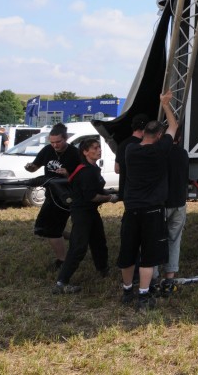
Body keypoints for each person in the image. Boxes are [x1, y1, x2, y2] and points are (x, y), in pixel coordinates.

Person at [117, 92, 176, 310]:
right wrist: (165, 105)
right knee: (148, 256)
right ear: (159, 136)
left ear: (143, 134)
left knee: (128, 252)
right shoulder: (161, 150)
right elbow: (173, 126)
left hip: (131, 209)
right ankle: (143, 295)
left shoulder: (131, 150)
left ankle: (126, 291)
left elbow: (162, 132)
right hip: (152, 210)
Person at [53, 138, 120, 294]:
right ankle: (61, 282)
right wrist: (110, 198)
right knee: (78, 247)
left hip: (91, 211)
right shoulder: (86, 171)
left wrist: (112, 193)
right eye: (94, 148)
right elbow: (92, 196)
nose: (99, 150)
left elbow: (97, 190)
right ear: (85, 152)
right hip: (82, 212)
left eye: (99, 147)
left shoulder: (93, 168)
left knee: (98, 241)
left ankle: (103, 269)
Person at [25, 124, 81, 268]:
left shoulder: (75, 153)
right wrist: (30, 167)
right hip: (51, 194)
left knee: (52, 230)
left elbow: (82, 176)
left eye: (58, 142)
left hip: (66, 196)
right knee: (41, 228)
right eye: (52, 142)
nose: (55, 145)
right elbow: (35, 167)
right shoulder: (47, 150)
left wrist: (68, 174)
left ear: (66, 138)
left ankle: (62, 261)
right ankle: (78, 238)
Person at [161, 114, 190, 296]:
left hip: (161, 204)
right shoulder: (183, 154)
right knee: (174, 240)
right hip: (179, 202)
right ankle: (169, 278)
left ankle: (154, 276)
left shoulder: (159, 153)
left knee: (155, 240)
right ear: (180, 139)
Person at [115, 114, 149, 201]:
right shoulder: (144, 145)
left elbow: (117, 169)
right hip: (141, 192)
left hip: (125, 191)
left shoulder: (122, 145)